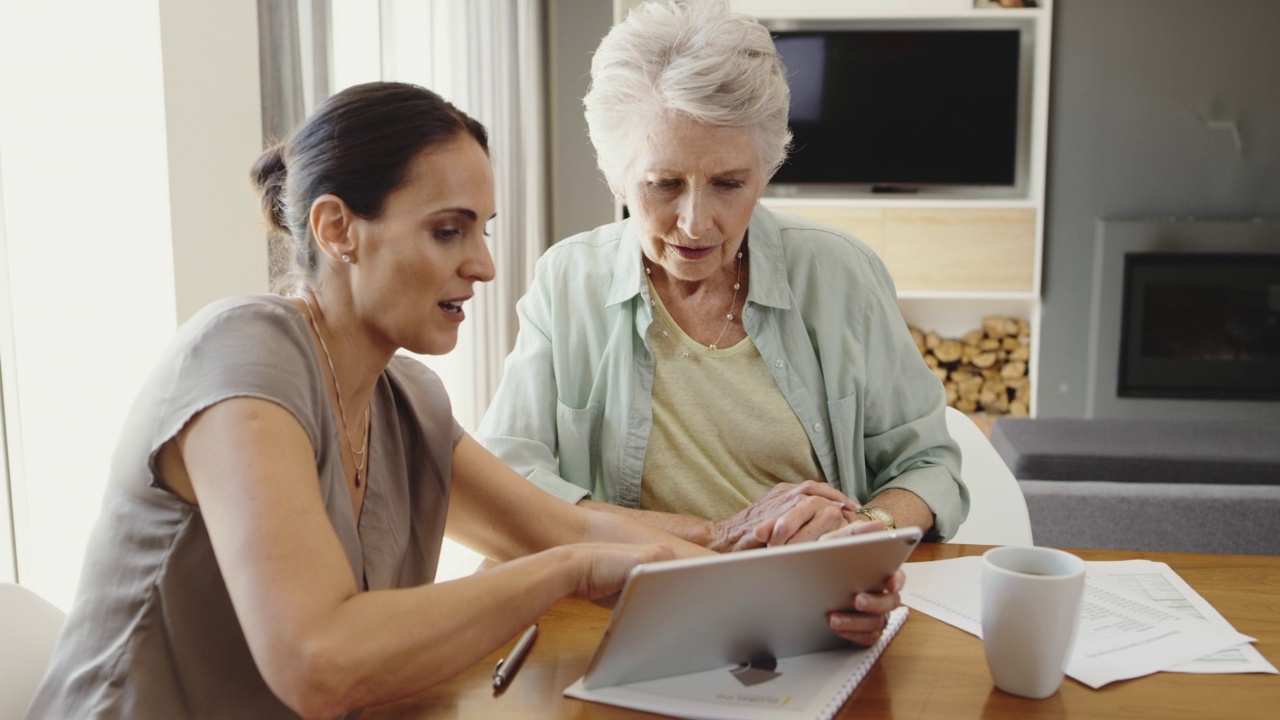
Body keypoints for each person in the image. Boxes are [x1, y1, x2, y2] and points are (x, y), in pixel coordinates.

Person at [27, 81, 713, 719]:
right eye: (449, 230)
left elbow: (570, 529)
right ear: (336, 229)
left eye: (483, 230)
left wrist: (760, 560)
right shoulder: (241, 353)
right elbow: (317, 660)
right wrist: (569, 571)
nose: (483, 265)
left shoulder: (406, 400)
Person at [477, 0, 968, 553]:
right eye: (663, 183)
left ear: (766, 173)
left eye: (729, 184)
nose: (694, 222)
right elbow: (507, 480)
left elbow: (929, 466)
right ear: (616, 177)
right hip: (629, 594)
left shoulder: (842, 274)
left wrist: (862, 534)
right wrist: (709, 537)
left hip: (811, 595)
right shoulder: (567, 281)